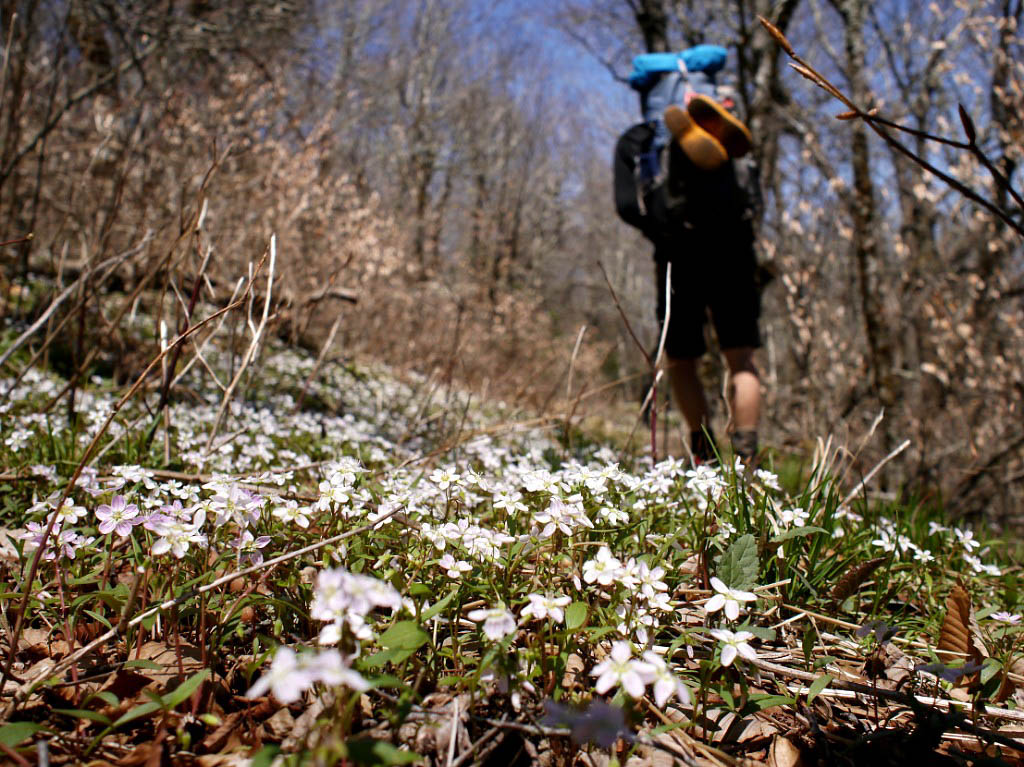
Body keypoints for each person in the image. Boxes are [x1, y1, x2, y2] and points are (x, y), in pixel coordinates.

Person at [613, 47, 764, 464]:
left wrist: (659, 233)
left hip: (678, 252)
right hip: (734, 247)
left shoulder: (638, 138)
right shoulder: (739, 149)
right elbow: (756, 199)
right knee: (742, 359)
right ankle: (748, 456)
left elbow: (627, 206)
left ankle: (704, 452)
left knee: (681, 358)